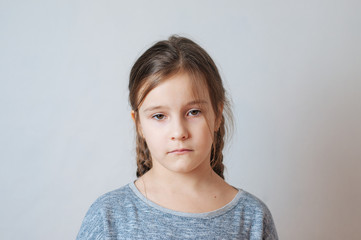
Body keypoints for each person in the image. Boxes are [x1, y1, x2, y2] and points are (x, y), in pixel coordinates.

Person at [76, 35, 278, 240]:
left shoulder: (253, 218)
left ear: (217, 115)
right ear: (139, 124)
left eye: (193, 112)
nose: (179, 132)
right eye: (159, 116)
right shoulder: (108, 217)